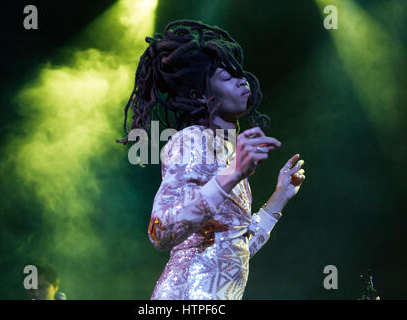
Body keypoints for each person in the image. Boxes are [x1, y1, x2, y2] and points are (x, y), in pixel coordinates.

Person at [117, 20, 306, 300]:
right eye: (227, 77)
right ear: (201, 95)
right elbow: (159, 231)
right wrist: (231, 175)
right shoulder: (191, 140)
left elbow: (234, 250)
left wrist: (279, 197)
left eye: (240, 75)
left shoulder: (226, 154)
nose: (242, 81)